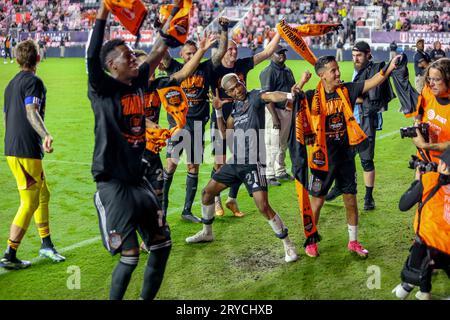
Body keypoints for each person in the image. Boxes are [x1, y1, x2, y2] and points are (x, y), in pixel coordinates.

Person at [87, 1, 179, 300]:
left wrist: (175, 13)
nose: (133, 59)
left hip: (138, 179)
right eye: (127, 56)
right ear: (112, 65)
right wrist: (103, 11)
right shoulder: (102, 87)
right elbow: (92, 55)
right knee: (130, 255)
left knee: (162, 245)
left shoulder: (138, 80)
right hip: (113, 182)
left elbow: (157, 51)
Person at [185, 73, 299, 263]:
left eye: (237, 85)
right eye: (232, 89)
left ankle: (288, 244)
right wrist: (219, 111)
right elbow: (224, 133)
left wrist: (289, 95)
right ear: (228, 92)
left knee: (263, 206)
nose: (237, 90)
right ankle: (207, 232)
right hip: (236, 161)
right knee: (207, 193)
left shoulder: (255, 97)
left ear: (241, 83)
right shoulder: (236, 109)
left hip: (254, 162)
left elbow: (271, 95)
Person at [301, 55, 401, 258]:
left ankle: (353, 242)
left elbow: (373, 82)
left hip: (346, 157)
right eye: (333, 71)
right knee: (317, 202)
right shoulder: (311, 96)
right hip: (322, 160)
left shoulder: (347, 90)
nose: (338, 73)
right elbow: (290, 105)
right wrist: (299, 85)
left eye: (338, 69)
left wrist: (389, 67)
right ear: (322, 76)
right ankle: (311, 240)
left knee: (351, 201)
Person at [0, 39, 65, 270]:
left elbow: (7, 118)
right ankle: (10, 252)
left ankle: (46, 242)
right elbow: (31, 111)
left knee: (42, 194)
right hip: (26, 150)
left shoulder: (10, 85)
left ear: (17, 59)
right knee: (29, 202)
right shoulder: (33, 82)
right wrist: (45, 134)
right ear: (38, 58)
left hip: (14, 148)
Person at [159, 17, 229, 223]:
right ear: (181, 55)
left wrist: (224, 29)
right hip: (178, 126)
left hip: (198, 124)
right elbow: (161, 55)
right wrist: (161, 29)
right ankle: (160, 208)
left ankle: (187, 211)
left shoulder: (206, 68)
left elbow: (222, 51)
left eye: (193, 53)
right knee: (170, 166)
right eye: (187, 54)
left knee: (193, 167)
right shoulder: (175, 69)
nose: (191, 56)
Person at [210, 32, 282, 217]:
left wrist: (280, 32)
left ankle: (231, 199)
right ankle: (217, 200)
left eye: (235, 49)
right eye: (230, 49)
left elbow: (266, 53)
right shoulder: (213, 68)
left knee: (240, 159)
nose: (234, 52)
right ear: (222, 51)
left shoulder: (242, 65)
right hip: (220, 120)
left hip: (243, 117)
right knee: (220, 161)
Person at [326, 41, 396, 211]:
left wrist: (345, 94)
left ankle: (369, 197)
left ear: (368, 54)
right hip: (350, 121)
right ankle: (338, 187)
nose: (355, 59)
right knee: (340, 157)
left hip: (365, 121)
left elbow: (369, 98)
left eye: (359, 55)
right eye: (353, 56)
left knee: (366, 160)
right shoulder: (358, 71)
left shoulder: (372, 70)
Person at [393, 147, 450, 300]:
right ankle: (422, 291)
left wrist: (416, 181)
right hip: (446, 247)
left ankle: (408, 287)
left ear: (444, 166)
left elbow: (403, 205)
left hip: (429, 244)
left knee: (419, 261)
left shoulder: (430, 180)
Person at [259, 44, 296, 186]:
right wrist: (274, 117)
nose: (282, 55)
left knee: (282, 144)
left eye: (283, 53)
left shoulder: (288, 70)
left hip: (287, 110)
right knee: (271, 143)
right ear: (271, 55)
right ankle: (269, 174)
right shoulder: (268, 72)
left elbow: (291, 91)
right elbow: (267, 96)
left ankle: (280, 171)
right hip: (273, 112)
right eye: (279, 53)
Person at [409, 58, 450, 164]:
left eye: (437, 79)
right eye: (429, 78)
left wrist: (425, 145)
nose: (431, 83)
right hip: (424, 161)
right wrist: (417, 122)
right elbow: (420, 112)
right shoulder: (427, 91)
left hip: (445, 167)